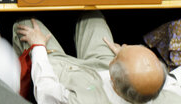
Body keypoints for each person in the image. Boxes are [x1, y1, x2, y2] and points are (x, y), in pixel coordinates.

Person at [14, 12, 181, 103]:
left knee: (24, 24)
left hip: (76, 78)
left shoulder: (79, 102)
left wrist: (38, 47)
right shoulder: (174, 97)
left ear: (114, 82)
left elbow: (46, 92)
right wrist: (125, 56)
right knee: (92, 15)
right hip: (106, 67)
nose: (124, 46)